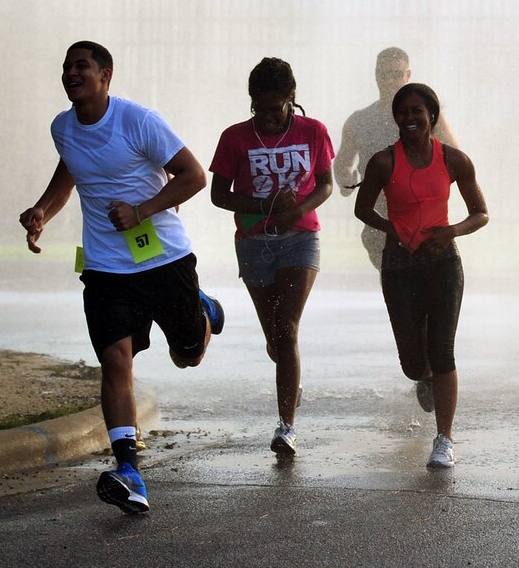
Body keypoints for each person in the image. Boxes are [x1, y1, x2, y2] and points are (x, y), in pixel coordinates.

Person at [19, 41, 224, 514]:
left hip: (163, 258)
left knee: (188, 354)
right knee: (116, 358)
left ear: (105, 75)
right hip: (105, 266)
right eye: (66, 66)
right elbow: (70, 169)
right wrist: (42, 212)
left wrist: (142, 210)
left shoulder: (138, 121)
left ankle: (204, 310)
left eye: (81, 66)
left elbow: (193, 176)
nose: (71, 73)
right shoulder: (62, 127)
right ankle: (129, 471)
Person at [354, 83, 489, 469]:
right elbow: (363, 209)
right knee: (413, 363)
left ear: (432, 116)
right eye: (403, 112)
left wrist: (451, 231)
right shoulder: (383, 162)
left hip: (443, 262)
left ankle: (444, 439)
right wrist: (391, 228)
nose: (409, 118)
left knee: (444, 350)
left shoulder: (454, 160)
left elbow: (481, 212)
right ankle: (423, 374)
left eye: (417, 111)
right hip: (399, 267)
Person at [209, 58, 333, 457]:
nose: (266, 117)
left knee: (288, 326)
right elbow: (218, 195)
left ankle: (286, 428)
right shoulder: (234, 138)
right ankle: (289, 376)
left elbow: (327, 185)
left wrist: (296, 210)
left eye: (274, 109)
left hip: (300, 238)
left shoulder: (313, 132)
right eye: (258, 109)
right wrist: (266, 204)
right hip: (253, 241)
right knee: (275, 341)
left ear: (291, 99)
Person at [334, 47, 457, 271]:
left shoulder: (426, 117)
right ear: (375, 76)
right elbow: (342, 163)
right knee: (399, 291)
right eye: (383, 74)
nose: (389, 81)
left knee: (424, 293)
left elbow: (454, 157)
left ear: (407, 76)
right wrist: (346, 179)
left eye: (396, 75)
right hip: (380, 223)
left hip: (425, 221)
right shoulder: (360, 121)